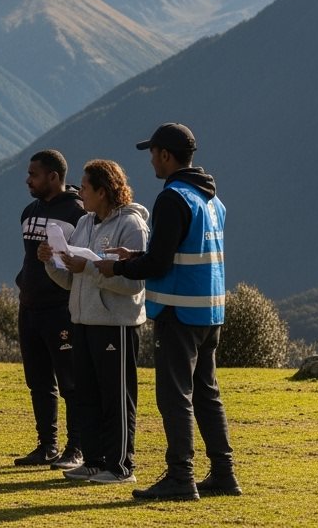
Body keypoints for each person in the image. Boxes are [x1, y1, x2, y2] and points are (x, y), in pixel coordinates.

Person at [98, 123, 240, 501]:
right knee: (207, 393)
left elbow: (160, 264)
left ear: (165, 155)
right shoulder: (211, 199)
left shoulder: (172, 197)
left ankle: (181, 476)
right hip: (210, 312)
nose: (150, 161)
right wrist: (138, 257)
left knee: (174, 396)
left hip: (178, 311)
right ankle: (224, 473)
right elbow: (175, 253)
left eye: (153, 153)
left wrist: (120, 267)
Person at [42, 159, 148, 485]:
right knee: (87, 394)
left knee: (115, 397)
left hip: (115, 323)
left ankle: (120, 467)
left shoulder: (132, 226)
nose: (80, 192)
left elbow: (134, 282)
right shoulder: (84, 224)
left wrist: (88, 268)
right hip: (83, 320)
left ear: (102, 191)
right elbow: (73, 281)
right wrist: (52, 263)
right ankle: (93, 461)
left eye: (85, 188)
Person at [13, 150, 87, 470]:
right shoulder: (29, 211)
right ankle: (47, 445)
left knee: (71, 381)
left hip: (61, 310)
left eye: (34, 174)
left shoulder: (78, 213)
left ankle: (77, 447)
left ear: (54, 177)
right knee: (38, 381)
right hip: (29, 308)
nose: (28, 180)